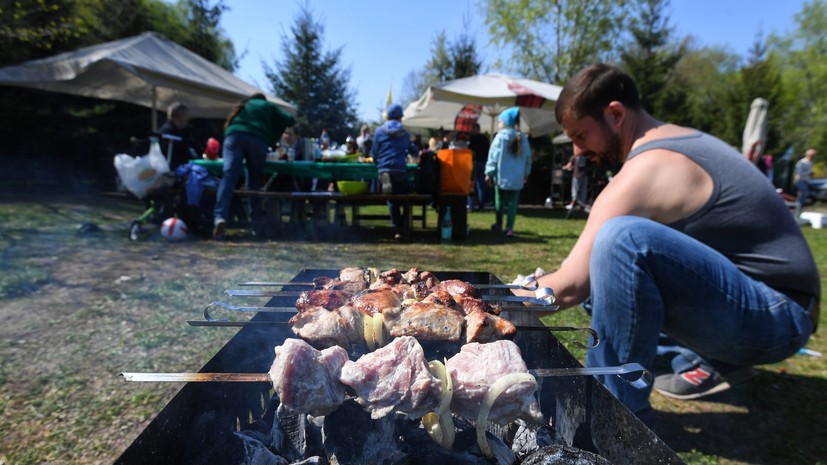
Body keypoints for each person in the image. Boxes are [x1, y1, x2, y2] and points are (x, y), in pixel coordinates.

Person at [517, 64, 819, 426]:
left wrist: (502, 303)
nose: (578, 151)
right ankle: (706, 360)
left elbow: (570, 286)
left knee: (622, 241)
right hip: (774, 304)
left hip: (777, 318)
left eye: (581, 136)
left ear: (615, 114)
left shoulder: (648, 168)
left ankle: (614, 417)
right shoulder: (679, 140)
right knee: (606, 291)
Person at [212, 94, 295, 240]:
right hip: (257, 139)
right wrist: (273, 132)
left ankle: (220, 218)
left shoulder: (244, 105)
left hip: (234, 136)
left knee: (229, 177)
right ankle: (256, 225)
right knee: (254, 182)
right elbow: (290, 119)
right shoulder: (267, 105)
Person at [371, 103, 417, 238]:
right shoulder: (404, 133)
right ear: (399, 118)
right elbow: (413, 150)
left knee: (391, 200)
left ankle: (397, 229)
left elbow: (374, 152)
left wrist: (377, 162)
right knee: (405, 197)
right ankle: (405, 226)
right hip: (399, 169)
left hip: (384, 169)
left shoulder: (379, 131)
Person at [485, 107, 532, 237]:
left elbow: (493, 156)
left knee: (499, 199)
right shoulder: (522, 137)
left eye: (499, 121)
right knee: (513, 203)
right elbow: (528, 157)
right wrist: (526, 172)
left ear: (504, 122)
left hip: (501, 176)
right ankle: (509, 227)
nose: (498, 124)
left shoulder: (500, 137)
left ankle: (498, 224)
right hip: (517, 177)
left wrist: (489, 173)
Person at [158, 102, 199, 170]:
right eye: (187, 116)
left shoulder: (174, 132)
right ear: (181, 116)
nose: (188, 120)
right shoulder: (170, 134)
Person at [468, 123, 492, 212]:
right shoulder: (485, 139)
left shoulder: (473, 139)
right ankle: (481, 205)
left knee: (472, 184)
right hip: (483, 162)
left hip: (475, 162)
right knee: (481, 185)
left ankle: (471, 205)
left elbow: (470, 150)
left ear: (475, 129)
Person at [794, 148, 817, 219]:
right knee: (801, 197)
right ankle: (796, 214)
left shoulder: (810, 162)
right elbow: (799, 173)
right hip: (800, 181)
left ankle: (799, 214)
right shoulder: (802, 162)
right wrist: (808, 173)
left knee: (803, 198)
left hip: (806, 182)